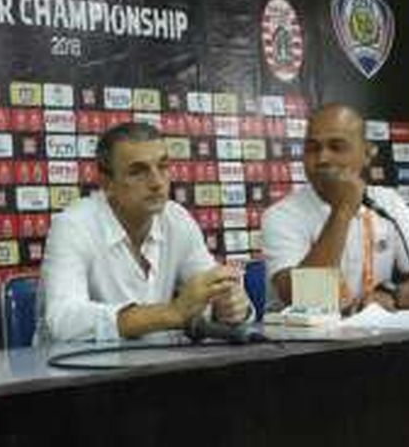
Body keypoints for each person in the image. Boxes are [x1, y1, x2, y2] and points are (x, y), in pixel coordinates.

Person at [41, 122, 252, 341]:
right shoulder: (74, 225)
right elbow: (63, 321)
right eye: (138, 172)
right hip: (77, 371)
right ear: (106, 183)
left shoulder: (176, 218)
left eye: (162, 167)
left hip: (155, 367)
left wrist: (228, 305)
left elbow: (212, 290)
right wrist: (172, 313)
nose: (157, 182)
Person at [262, 103, 409, 312]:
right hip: (306, 341)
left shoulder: (388, 202)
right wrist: (342, 211)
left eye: (337, 147)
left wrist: (391, 296)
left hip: (374, 334)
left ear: (367, 154)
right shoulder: (281, 215)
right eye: (313, 148)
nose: (322, 159)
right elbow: (306, 300)